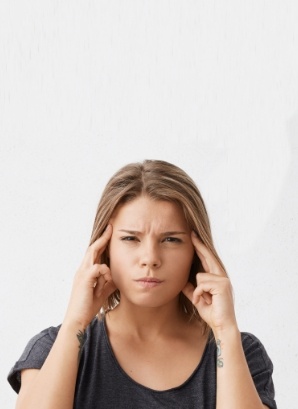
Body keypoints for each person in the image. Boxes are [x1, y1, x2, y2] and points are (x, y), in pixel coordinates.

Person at [8, 160, 277, 409]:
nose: (150, 258)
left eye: (171, 239)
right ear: (104, 249)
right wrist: (74, 324)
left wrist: (224, 329)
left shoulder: (240, 352)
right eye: (130, 239)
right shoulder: (54, 347)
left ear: (197, 251)